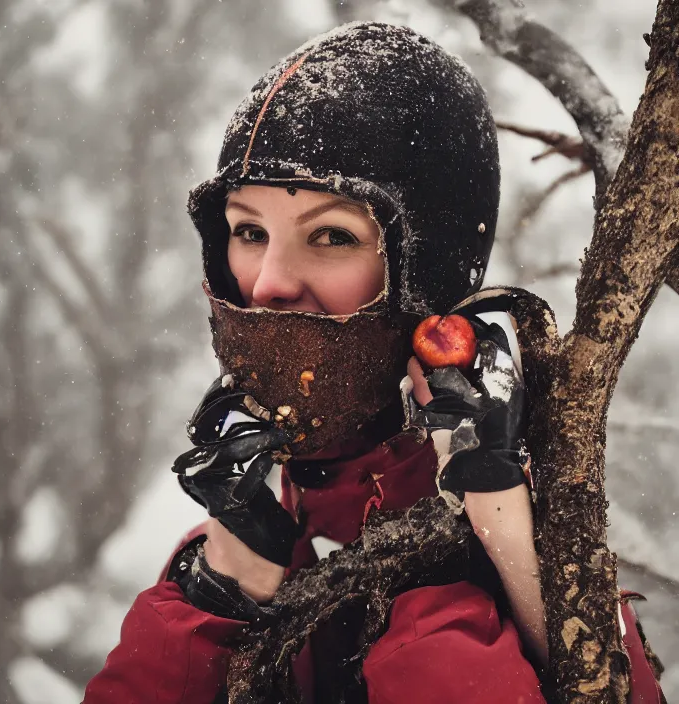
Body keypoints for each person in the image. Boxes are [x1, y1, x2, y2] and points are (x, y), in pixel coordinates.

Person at [83, 22, 664, 704]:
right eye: (248, 231)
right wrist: (223, 586)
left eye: (331, 234)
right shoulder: (236, 540)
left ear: (427, 270)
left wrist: (493, 534)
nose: (267, 282)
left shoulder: (535, 534)